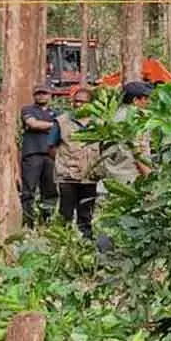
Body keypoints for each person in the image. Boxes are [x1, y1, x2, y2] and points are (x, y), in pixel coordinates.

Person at [54, 86, 100, 237]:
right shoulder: (61, 121)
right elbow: (51, 146)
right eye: (76, 101)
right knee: (65, 211)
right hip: (67, 175)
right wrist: (64, 162)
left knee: (86, 211)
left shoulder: (98, 123)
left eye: (83, 102)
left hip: (90, 175)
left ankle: (85, 239)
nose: (78, 104)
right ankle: (62, 239)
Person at [96, 81, 154, 186]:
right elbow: (138, 152)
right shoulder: (134, 119)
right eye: (145, 99)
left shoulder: (112, 116)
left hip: (112, 175)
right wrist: (149, 176)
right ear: (135, 100)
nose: (148, 102)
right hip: (131, 176)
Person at [19, 84, 60, 226]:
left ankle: (46, 223)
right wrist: (54, 125)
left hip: (51, 156)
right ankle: (28, 223)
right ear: (34, 96)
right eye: (38, 93)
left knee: (50, 191)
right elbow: (33, 124)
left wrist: (48, 125)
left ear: (50, 95)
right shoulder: (28, 110)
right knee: (28, 191)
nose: (41, 96)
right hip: (32, 154)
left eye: (44, 93)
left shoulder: (55, 113)